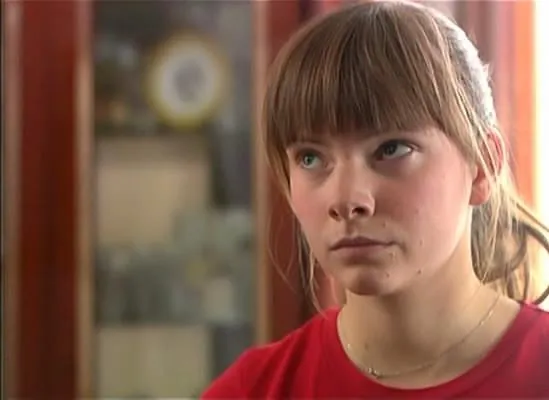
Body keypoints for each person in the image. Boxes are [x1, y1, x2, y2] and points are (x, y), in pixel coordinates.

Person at [202, 1, 549, 398]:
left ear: (483, 165)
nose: (347, 199)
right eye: (311, 158)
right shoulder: (253, 390)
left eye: (391, 149)